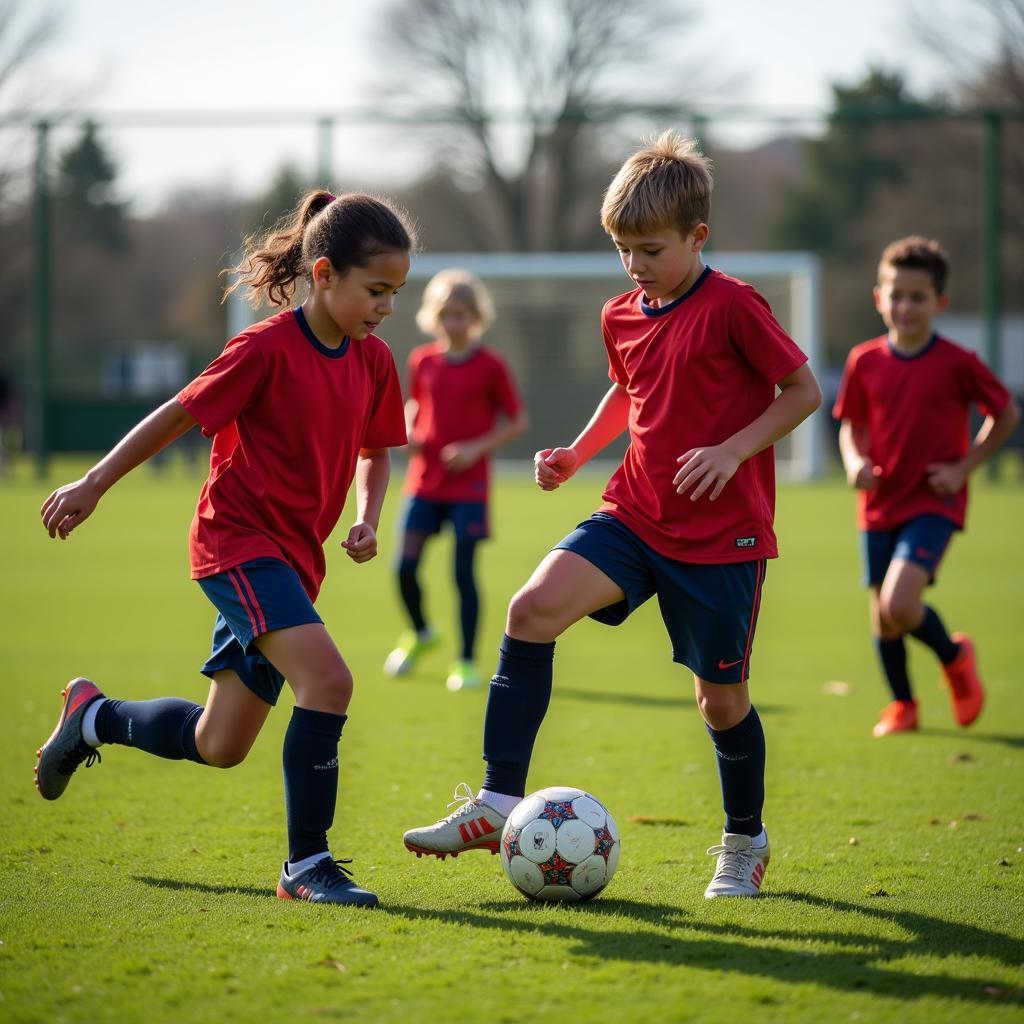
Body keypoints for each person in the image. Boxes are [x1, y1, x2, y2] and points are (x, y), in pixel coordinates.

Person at [401, 131, 821, 898]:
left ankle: (744, 841)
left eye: (651, 250)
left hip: (722, 536)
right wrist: (577, 453)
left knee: (719, 701)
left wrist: (731, 451)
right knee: (529, 611)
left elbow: (802, 391)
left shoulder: (733, 305)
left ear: (698, 236)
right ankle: (497, 802)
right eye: (623, 249)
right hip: (634, 513)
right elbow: (629, 395)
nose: (635, 266)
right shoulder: (622, 312)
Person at [35, 190, 416, 907]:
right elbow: (177, 415)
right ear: (325, 272)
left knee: (221, 743)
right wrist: (94, 481)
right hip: (237, 544)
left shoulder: (374, 362)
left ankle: (92, 716)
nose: (385, 308)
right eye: (376, 290)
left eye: (395, 293)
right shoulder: (264, 349)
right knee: (329, 683)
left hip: (296, 563)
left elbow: (377, 452)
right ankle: (307, 867)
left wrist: (368, 517)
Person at [834, 236, 1020, 738]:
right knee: (884, 619)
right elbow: (850, 424)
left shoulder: (958, 362)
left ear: (940, 303)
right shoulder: (863, 360)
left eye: (918, 297)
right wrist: (854, 460)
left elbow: (1005, 413)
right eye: (896, 294)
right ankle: (904, 707)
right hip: (878, 502)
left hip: (934, 501)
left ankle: (956, 658)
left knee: (899, 603)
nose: (905, 306)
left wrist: (964, 467)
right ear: (879, 298)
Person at [383, 269, 527, 691]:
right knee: (403, 567)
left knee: (463, 575)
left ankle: (464, 661)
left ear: (476, 317)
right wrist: (408, 429)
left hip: (469, 487)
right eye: (446, 315)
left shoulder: (491, 365)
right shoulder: (422, 360)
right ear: (434, 317)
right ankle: (422, 633)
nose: (453, 323)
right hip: (425, 480)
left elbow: (517, 421)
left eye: (461, 315)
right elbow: (415, 404)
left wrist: (474, 449)